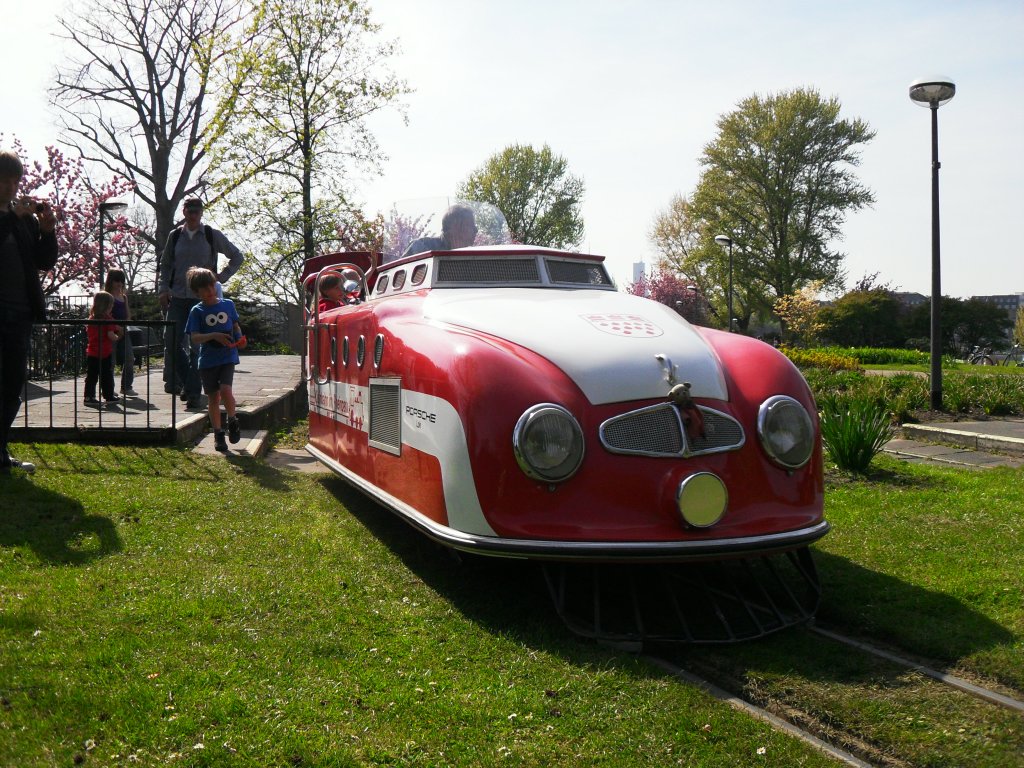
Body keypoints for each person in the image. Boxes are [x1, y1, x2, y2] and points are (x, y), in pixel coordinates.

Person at [0, 150, 58, 474]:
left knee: (12, 386)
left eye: (14, 181)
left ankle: (0, 450)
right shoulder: (12, 219)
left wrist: (47, 231)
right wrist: (12, 218)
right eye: (3, 181)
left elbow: (44, 261)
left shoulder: (22, 222)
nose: (10, 187)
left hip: (20, 313)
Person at [158, 197, 244, 409]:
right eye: (190, 210)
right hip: (178, 297)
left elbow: (237, 256)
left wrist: (221, 277)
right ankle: (189, 382)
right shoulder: (175, 235)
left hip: (203, 300)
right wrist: (163, 289)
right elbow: (166, 264)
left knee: (198, 348)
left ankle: (194, 394)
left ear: (201, 213)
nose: (193, 214)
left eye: (197, 210)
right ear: (184, 212)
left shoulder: (210, 235)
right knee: (171, 341)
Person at [184, 267, 244, 452]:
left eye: (211, 286)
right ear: (196, 292)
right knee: (213, 398)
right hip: (208, 361)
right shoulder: (197, 311)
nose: (209, 291)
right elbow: (194, 337)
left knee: (226, 389)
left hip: (227, 357)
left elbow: (235, 325)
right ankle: (218, 433)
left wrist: (240, 337)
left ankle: (233, 420)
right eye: (204, 288)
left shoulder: (228, 305)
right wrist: (214, 335)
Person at [84, 291, 123, 405]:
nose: (112, 308)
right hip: (105, 352)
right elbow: (111, 336)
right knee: (106, 375)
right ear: (107, 306)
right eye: (111, 306)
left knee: (91, 376)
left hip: (92, 351)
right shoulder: (108, 319)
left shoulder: (91, 319)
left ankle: (88, 397)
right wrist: (119, 335)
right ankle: (109, 395)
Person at [400, 204, 477, 259]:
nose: (476, 231)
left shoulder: (475, 257)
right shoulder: (421, 247)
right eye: (470, 226)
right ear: (454, 229)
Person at [104, 268, 136, 396]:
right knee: (110, 361)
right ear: (110, 281)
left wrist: (125, 325)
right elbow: (106, 315)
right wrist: (117, 327)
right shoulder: (107, 296)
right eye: (116, 281)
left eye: (121, 281)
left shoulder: (124, 297)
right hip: (111, 331)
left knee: (129, 358)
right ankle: (109, 388)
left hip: (124, 331)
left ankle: (126, 386)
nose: (119, 284)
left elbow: (128, 314)